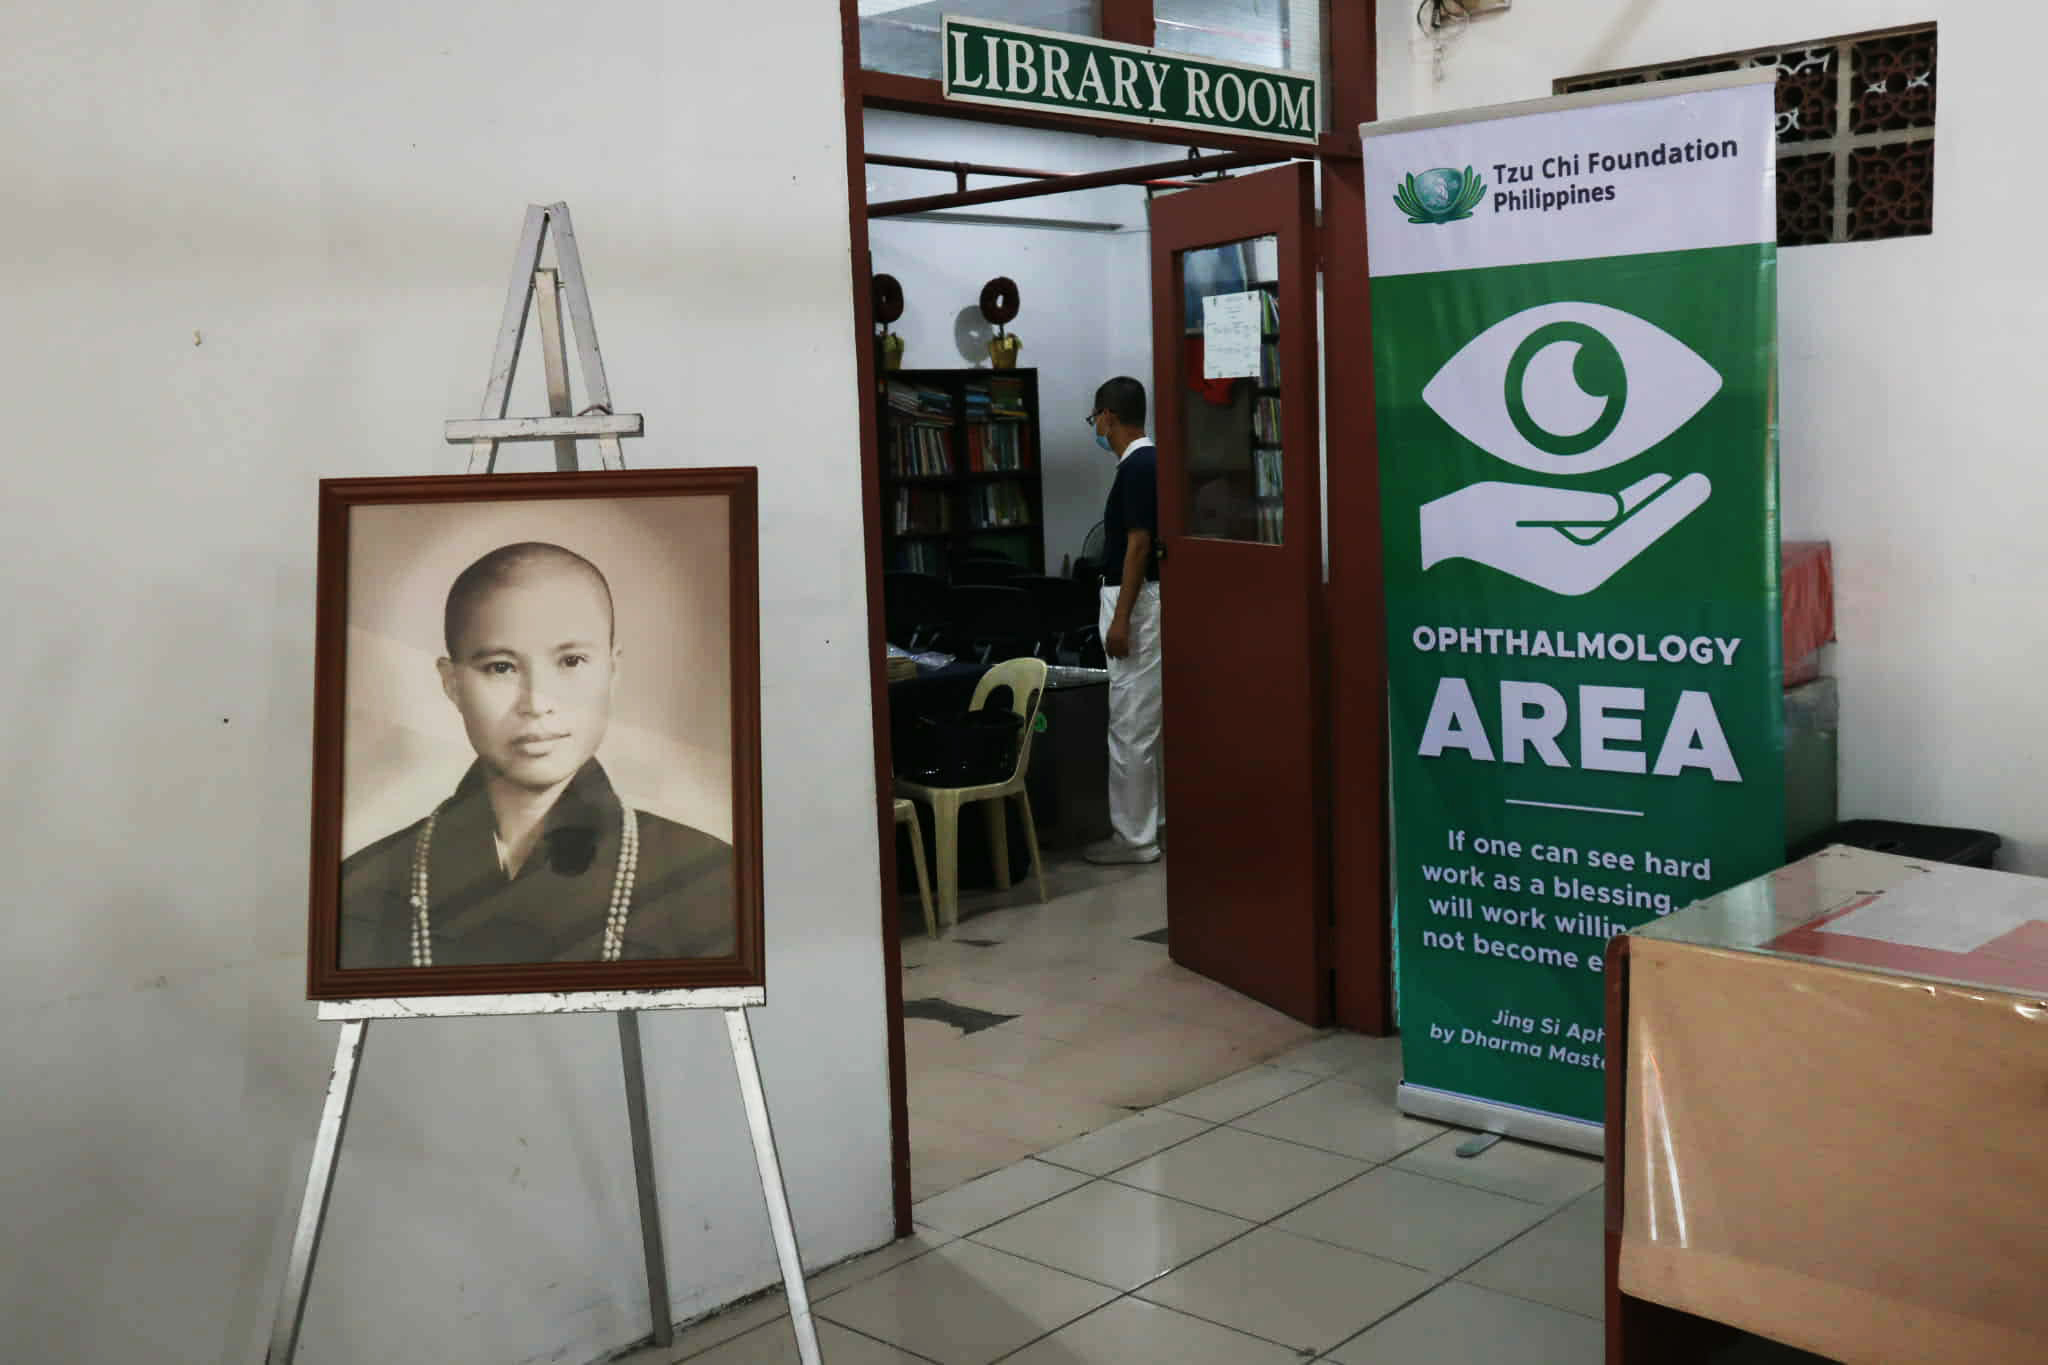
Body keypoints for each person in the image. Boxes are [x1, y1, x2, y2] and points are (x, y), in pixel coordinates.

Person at [339, 542, 735, 968]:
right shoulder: (362, 886)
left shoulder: (709, 876)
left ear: (612, 670)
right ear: (451, 683)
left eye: (571, 661)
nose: (536, 703)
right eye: (501, 667)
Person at [1084, 377, 1164, 866]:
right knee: (1144, 718)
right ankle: (1149, 823)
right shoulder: (1148, 463)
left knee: (1130, 721)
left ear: (1108, 416)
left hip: (1134, 601)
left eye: (1095, 417)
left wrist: (1121, 620)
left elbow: (1138, 544)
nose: (1095, 426)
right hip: (1140, 599)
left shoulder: (1137, 466)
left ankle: (1133, 838)